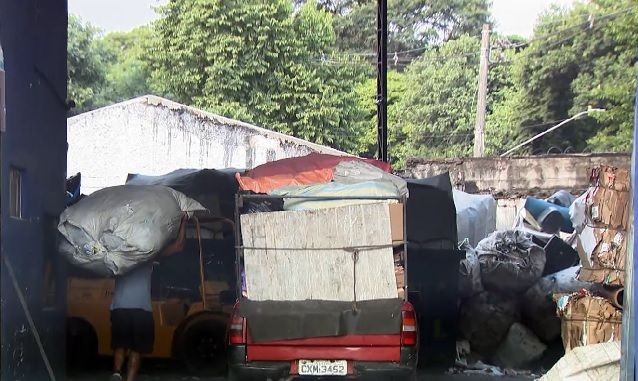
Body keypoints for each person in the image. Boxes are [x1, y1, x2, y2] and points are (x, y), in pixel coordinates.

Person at [109, 215, 188, 381]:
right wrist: (183, 222)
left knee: (120, 345)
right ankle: (129, 379)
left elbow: (93, 252)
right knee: (137, 349)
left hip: (119, 307)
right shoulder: (148, 255)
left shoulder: (118, 254)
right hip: (141, 309)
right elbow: (179, 246)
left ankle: (117, 373)